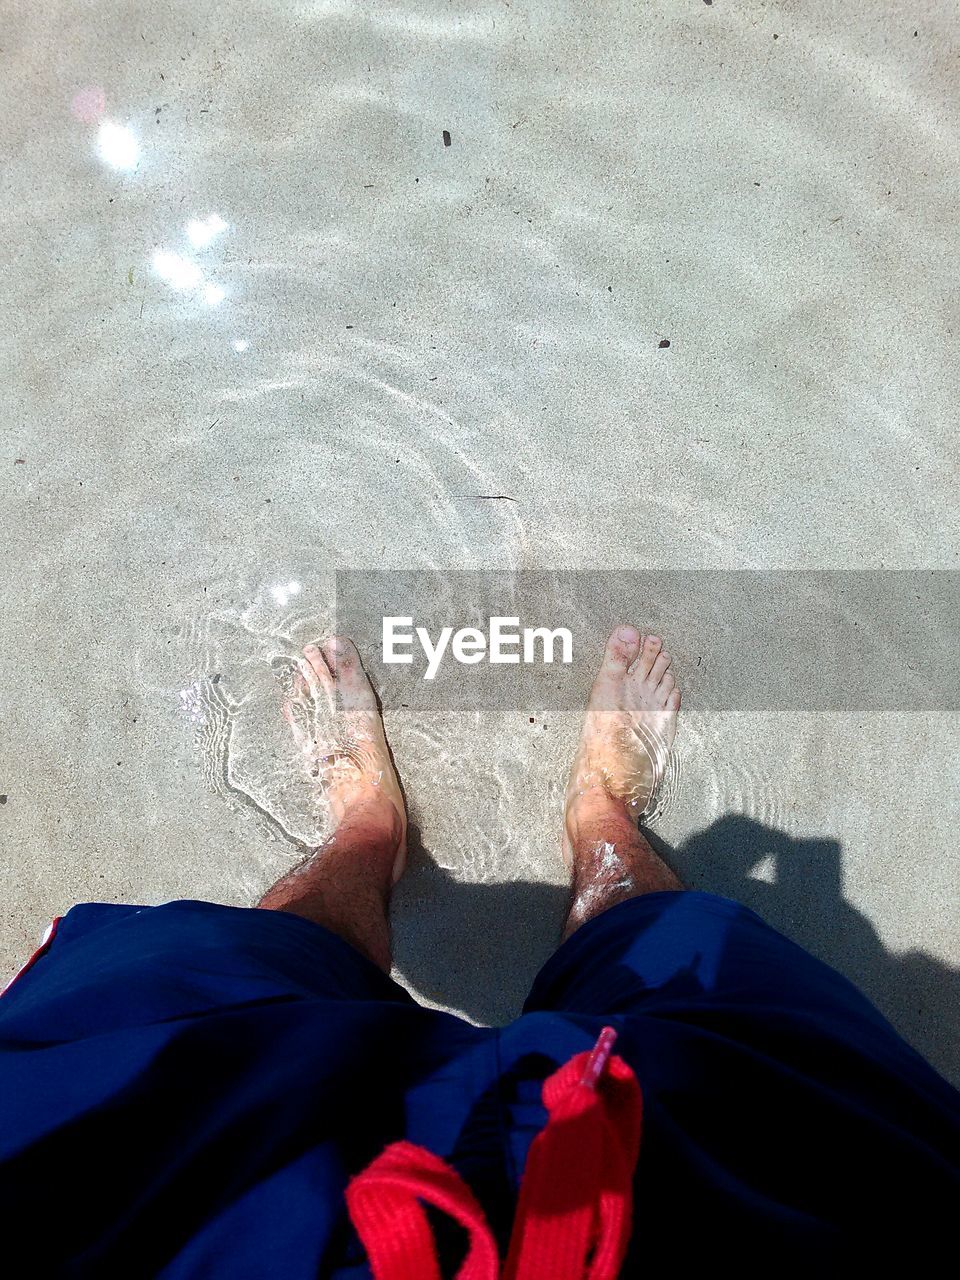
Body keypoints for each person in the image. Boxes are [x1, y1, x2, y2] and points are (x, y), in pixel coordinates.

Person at [0, 627, 957, 1277]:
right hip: (734, 1225)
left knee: (249, 982)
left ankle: (370, 833)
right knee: (697, 997)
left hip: (156, 1216)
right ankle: (600, 820)